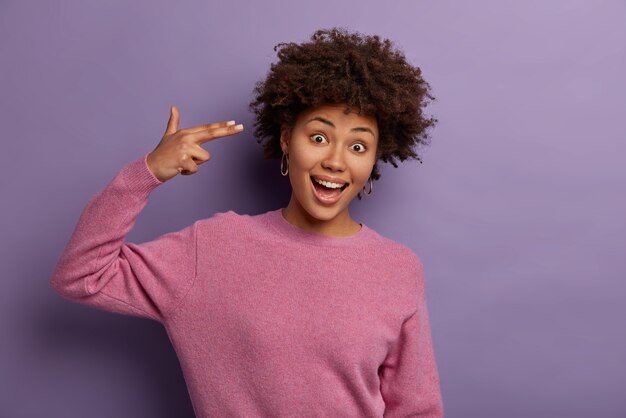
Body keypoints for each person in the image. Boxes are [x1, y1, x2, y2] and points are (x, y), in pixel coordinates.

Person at [51, 28, 444, 417]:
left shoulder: (398, 268)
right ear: (287, 139)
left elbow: (417, 410)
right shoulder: (211, 249)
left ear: (374, 159)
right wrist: (146, 173)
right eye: (319, 138)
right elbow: (82, 275)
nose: (336, 161)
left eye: (358, 146)